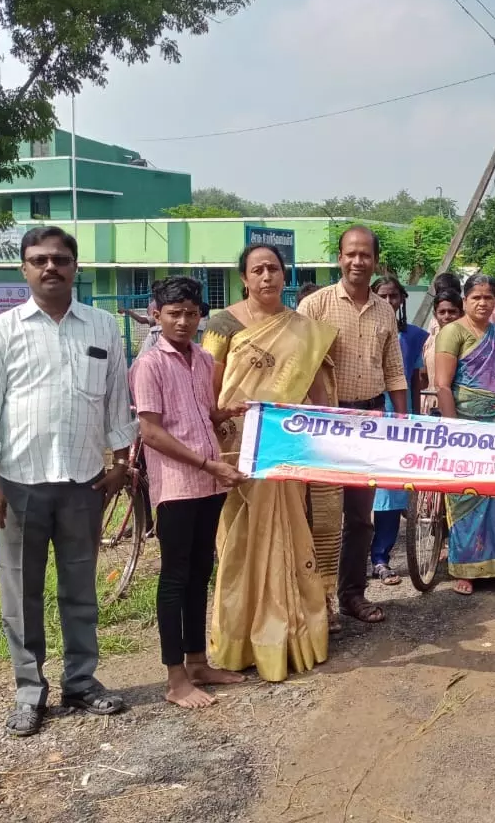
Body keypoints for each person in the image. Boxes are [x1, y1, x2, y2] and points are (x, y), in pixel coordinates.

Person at [0, 226, 137, 737]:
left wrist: (122, 463)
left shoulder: (102, 328)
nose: (50, 267)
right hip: (19, 484)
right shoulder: (1, 331)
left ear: (75, 266)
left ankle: (81, 683)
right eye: (39, 259)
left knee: (80, 589)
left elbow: (117, 404)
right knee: (21, 593)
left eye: (60, 259)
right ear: (24, 269)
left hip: (84, 481)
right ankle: (28, 691)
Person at [201, 244, 334, 680]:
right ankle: (240, 640)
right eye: (257, 270)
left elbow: (315, 393)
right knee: (238, 545)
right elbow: (209, 391)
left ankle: (293, 635)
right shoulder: (222, 325)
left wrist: (323, 435)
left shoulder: (304, 331)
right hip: (235, 453)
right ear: (243, 277)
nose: (266, 277)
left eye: (273, 269)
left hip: (284, 451)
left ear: (284, 274)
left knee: (290, 536)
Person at [131, 276, 247, 709]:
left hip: (210, 483)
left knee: (201, 572)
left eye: (191, 313)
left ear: (201, 317)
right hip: (178, 487)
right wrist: (206, 463)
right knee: (175, 579)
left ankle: (198, 663)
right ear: (156, 315)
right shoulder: (149, 365)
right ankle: (175, 678)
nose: (182, 321)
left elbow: (200, 414)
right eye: (173, 313)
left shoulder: (201, 359)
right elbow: (153, 433)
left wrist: (225, 413)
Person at [298, 226, 408, 625]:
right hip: (325, 422)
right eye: (350, 254)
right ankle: (315, 601)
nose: (357, 261)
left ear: (375, 260)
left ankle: (351, 595)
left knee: (361, 517)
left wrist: (400, 421)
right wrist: (317, 415)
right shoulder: (315, 306)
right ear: (339, 258)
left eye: (365, 255)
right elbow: (300, 366)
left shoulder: (384, 310)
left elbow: (394, 370)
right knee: (320, 516)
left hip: (370, 422)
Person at [434, 274, 495, 595]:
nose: (483, 302)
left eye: (489, 297)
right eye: (476, 296)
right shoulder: (452, 332)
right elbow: (443, 385)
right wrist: (453, 428)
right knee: (466, 496)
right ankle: (466, 567)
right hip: (465, 425)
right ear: (465, 299)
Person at [369, 276, 429, 584]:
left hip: (401, 420)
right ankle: (364, 557)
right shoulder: (365, 333)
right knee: (367, 493)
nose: (390, 302)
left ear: (402, 299)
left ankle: (381, 556)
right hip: (369, 419)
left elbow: (416, 382)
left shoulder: (416, 336)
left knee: (391, 492)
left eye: (394, 296)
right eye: (383, 295)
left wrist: (415, 419)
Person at [417, 289, 463, 413]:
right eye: (442, 312)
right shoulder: (429, 341)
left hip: (462, 406)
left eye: (452, 312)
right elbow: (422, 375)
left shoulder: (468, 342)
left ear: (461, 313)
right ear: (435, 314)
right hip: (432, 403)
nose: (447, 316)